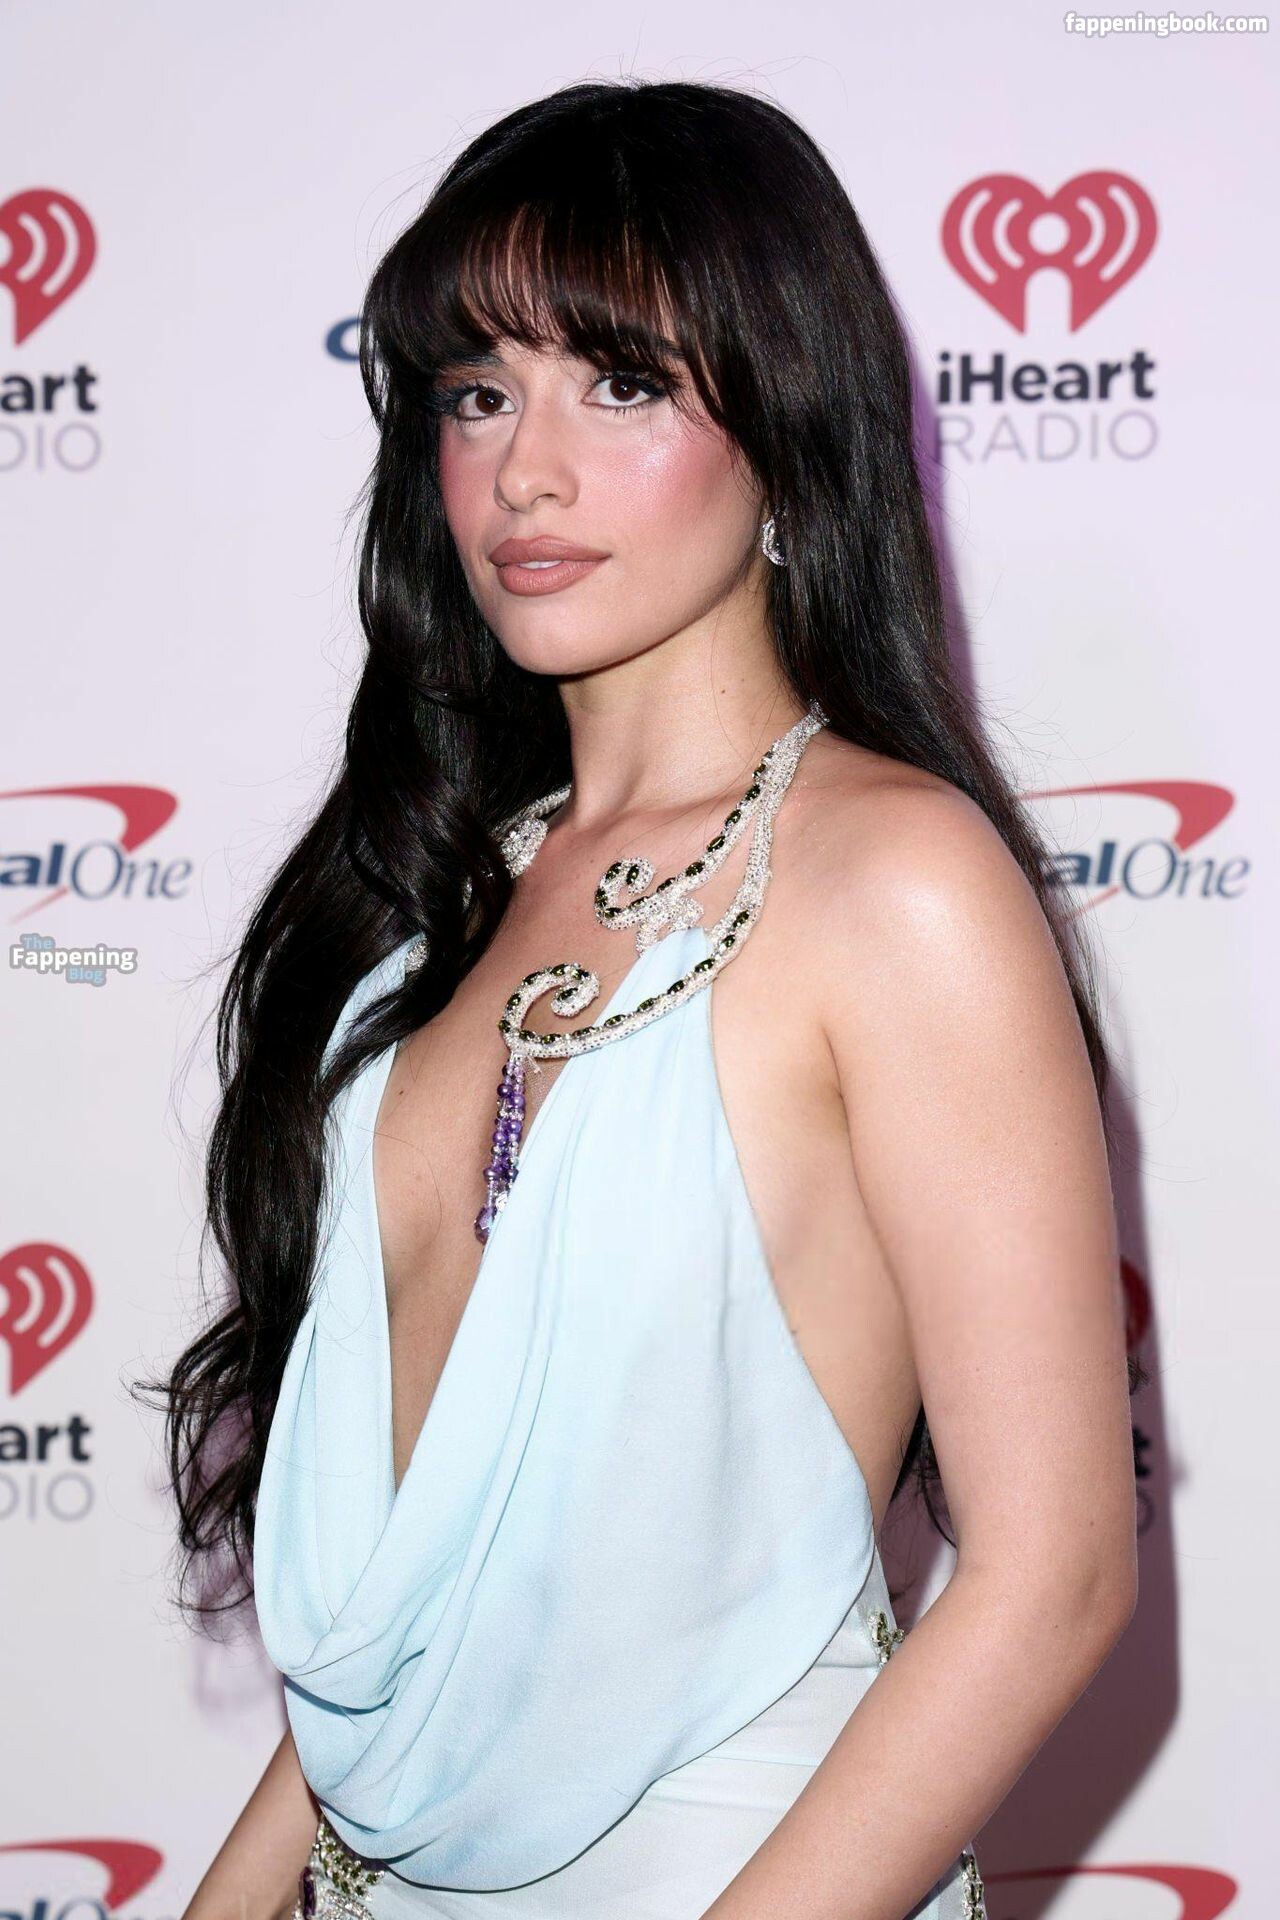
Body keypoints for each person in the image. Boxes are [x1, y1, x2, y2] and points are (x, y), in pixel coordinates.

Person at [156, 75, 1140, 1920]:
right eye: (477, 392)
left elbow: (1055, 1573)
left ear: (787, 426)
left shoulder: (895, 884)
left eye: (620, 385)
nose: (524, 471)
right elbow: (449, 1589)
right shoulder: (431, 904)